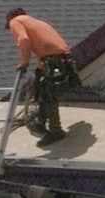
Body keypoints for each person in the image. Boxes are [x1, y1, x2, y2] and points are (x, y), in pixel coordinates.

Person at [5, 8, 82, 147]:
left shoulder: (15, 21)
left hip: (51, 61)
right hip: (61, 59)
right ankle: (40, 121)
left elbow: (23, 40)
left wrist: (24, 62)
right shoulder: (37, 22)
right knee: (38, 88)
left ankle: (56, 131)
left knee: (48, 96)